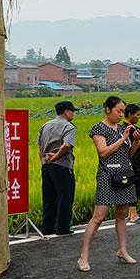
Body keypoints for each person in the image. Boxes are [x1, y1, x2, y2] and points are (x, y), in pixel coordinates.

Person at [77, 96, 140, 272]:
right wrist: (122, 138)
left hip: (125, 175)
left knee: (121, 215)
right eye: (118, 111)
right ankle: (83, 256)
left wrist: (134, 140)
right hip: (107, 175)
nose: (121, 114)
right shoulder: (99, 128)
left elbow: (129, 154)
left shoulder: (122, 128)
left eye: (122, 111)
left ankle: (122, 250)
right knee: (99, 217)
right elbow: (103, 152)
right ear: (107, 110)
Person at [38, 100, 78, 236]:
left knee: (48, 197)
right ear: (67, 112)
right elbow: (66, 145)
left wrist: (44, 160)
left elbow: (40, 146)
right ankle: (63, 227)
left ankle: (47, 228)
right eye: (72, 111)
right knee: (64, 196)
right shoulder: (69, 127)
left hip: (46, 166)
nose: (73, 114)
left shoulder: (45, 125)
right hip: (62, 166)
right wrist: (55, 157)